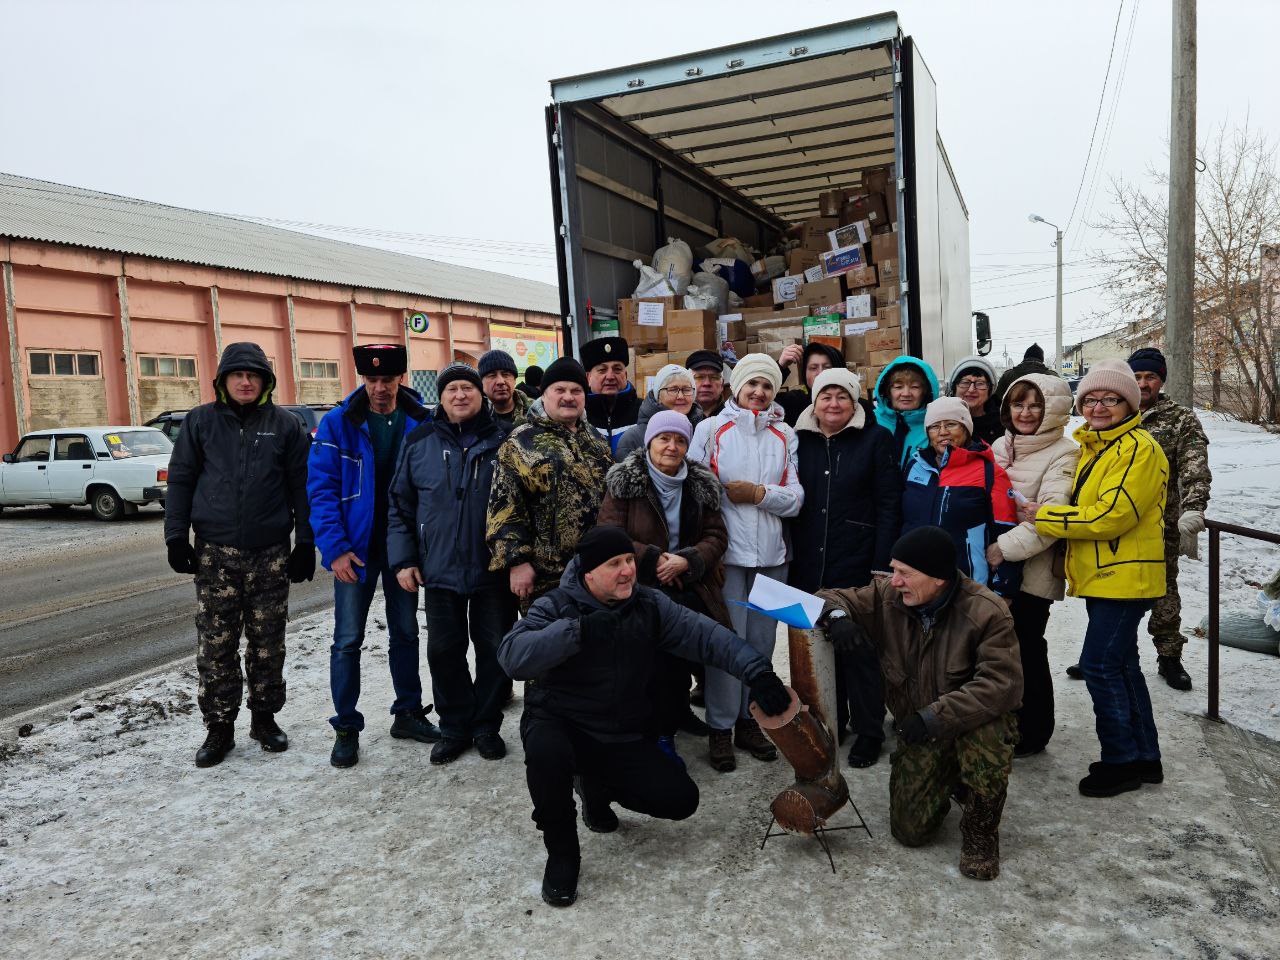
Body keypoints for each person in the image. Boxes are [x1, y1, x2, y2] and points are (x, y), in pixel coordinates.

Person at [498, 525, 792, 907]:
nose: (628, 571)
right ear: (588, 574)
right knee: (546, 756)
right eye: (614, 564)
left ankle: (593, 786)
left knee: (680, 799)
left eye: (629, 561)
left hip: (618, 731)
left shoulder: (649, 606)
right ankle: (562, 854)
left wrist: (758, 672)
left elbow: (707, 636)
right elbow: (512, 656)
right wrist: (578, 631)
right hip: (561, 723)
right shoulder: (555, 605)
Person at [816, 526, 1023, 881]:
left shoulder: (987, 612)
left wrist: (932, 717)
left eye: (905, 573)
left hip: (968, 723)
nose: (894, 580)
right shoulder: (888, 597)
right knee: (910, 831)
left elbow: (1000, 686)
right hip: (923, 731)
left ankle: (980, 831)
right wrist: (838, 617)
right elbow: (827, 596)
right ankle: (952, 777)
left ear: (939, 579)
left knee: (990, 733)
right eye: (894, 569)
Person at [1021, 359, 1169, 798]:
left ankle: (1119, 761)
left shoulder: (1137, 449)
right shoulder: (1098, 447)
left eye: (1110, 399)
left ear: (1129, 403)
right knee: (1122, 666)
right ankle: (1145, 757)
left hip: (1124, 576)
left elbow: (1111, 515)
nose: (1099, 407)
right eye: (1091, 399)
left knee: (1100, 666)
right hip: (1108, 576)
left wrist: (1044, 517)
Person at [164, 342, 314, 768]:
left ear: (265, 382)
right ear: (223, 381)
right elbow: (181, 480)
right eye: (238, 375)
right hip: (215, 553)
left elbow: (302, 488)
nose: (246, 382)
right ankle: (219, 727)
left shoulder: (285, 425)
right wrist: (176, 536)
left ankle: (264, 719)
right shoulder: (200, 423)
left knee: (268, 642)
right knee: (216, 643)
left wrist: (306, 542)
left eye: (254, 375)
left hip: (270, 553)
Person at [308, 343, 437, 769]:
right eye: (372, 379)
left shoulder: (422, 421)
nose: (380, 388)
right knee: (347, 640)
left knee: (405, 633)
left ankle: (408, 713)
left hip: (401, 550)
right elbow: (321, 491)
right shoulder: (338, 423)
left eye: (388, 379)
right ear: (363, 379)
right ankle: (346, 726)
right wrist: (336, 550)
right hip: (355, 552)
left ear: (402, 378)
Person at [388, 362, 514, 765]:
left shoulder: (506, 440)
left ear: (481, 395)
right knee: (444, 650)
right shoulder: (420, 441)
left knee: (494, 648)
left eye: (468, 388)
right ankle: (455, 725)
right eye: (452, 389)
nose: (460, 395)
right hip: (438, 568)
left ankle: (486, 725)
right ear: (440, 398)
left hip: (492, 568)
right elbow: (400, 506)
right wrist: (404, 559)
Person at [690, 353, 803, 772]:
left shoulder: (785, 434)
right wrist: (706, 551)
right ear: (735, 387)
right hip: (727, 559)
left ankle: (748, 720)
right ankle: (719, 725)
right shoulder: (710, 428)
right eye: (751, 384)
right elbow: (698, 492)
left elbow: (796, 499)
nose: (758, 393)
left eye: (767, 386)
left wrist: (758, 494)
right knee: (726, 644)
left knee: (761, 644)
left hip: (773, 558)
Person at [597, 409, 729, 757]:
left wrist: (688, 560)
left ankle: (672, 724)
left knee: (684, 656)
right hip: (638, 584)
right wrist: (655, 559)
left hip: (689, 582)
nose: (671, 446)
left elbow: (716, 536)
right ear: (650, 441)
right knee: (649, 663)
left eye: (680, 439)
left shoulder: (701, 484)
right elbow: (610, 534)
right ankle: (656, 732)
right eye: (664, 439)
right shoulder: (624, 482)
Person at [790, 367, 901, 768]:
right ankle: (832, 719)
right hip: (807, 559)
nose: (833, 404)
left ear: (855, 401)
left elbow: (889, 502)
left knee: (860, 647)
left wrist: (881, 562)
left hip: (856, 559)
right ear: (814, 402)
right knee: (820, 643)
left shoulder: (875, 439)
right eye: (825, 396)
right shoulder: (797, 438)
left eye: (842, 396)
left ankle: (869, 730)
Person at [989, 374, 1080, 757]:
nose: (1025, 413)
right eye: (1018, 404)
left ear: (1054, 409)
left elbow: (1050, 520)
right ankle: (1002, 720)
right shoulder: (999, 445)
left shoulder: (1065, 451)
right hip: (993, 570)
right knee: (996, 652)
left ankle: (1034, 730)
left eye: (1036, 405)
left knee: (1027, 647)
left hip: (1032, 572)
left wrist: (1000, 549)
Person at [487, 357, 614, 609]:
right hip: (546, 578)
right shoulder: (520, 442)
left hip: (597, 569)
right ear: (544, 395)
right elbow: (503, 509)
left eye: (576, 390)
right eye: (560, 390)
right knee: (554, 644)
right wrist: (517, 562)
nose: (569, 397)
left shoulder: (596, 440)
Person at [1128, 347, 1212, 691]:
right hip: (1114, 522)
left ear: (1161, 380)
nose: (1143, 383)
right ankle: (1109, 653)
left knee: (1164, 592)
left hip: (1161, 525)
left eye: (1150, 377)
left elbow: (1195, 466)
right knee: (1111, 591)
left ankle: (1169, 657)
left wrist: (1194, 507)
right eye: (1136, 377)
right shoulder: (1113, 411)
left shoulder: (1180, 418)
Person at [900, 397, 1022, 599]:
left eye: (951, 424)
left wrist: (1004, 593)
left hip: (967, 585)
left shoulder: (989, 472)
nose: (943, 432)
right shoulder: (915, 466)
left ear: (966, 428)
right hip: (916, 582)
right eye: (934, 426)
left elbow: (1005, 533)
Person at [614, 363, 705, 461]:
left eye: (687, 390)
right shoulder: (633, 438)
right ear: (658, 396)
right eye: (673, 389)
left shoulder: (704, 432)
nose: (680, 396)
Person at [872, 355, 941, 468]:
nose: (906, 393)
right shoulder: (870, 422)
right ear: (888, 392)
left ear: (925, 392)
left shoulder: (935, 426)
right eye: (898, 387)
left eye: (915, 387)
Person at [581, 336, 642, 457]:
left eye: (617, 369)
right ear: (588, 378)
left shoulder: (643, 412)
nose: (610, 376)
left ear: (625, 374)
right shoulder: (578, 415)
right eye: (602, 370)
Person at [776, 342, 845, 426]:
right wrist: (780, 367)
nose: (820, 373)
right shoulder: (794, 403)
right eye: (813, 368)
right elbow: (761, 402)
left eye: (827, 367)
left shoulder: (856, 406)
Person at [948, 355, 1002, 445]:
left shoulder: (1003, 423)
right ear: (954, 388)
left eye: (980, 383)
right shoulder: (941, 421)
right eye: (965, 382)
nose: (971, 389)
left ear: (990, 390)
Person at [479, 348, 530, 429]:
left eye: (506, 374)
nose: (500, 381)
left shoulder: (536, 412)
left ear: (515, 380)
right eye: (492, 375)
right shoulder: (472, 417)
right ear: (481, 383)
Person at [687, 349, 729, 417]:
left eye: (714, 377)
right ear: (687, 383)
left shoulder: (734, 417)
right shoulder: (677, 418)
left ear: (722, 385)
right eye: (699, 377)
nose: (707, 383)